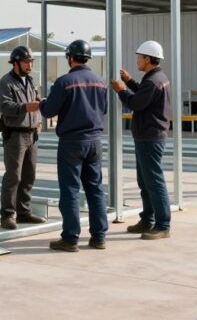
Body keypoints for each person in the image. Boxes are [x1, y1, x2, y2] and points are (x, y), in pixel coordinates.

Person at [39, 39, 109, 252]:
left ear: (70, 58)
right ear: (87, 58)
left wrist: (41, 103)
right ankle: (99, 237)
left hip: (72, 142)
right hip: (95, 142)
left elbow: (49, 111)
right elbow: (103, 109)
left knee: (70, 190)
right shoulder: (100, 82)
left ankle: (70, 238)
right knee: (95, 189)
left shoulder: (64, 82)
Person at [111, 40, 172, 240]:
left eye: (139, 57)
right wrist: (129, 82)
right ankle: (148, 219)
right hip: (148, 135)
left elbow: (136, 102)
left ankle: (162, 225)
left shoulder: (153, 81)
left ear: (147, 59)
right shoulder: (155, 78)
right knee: (145, 181)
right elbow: (143, 94)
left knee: (153, 181)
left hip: (150, 137)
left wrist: (121, 90)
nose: (137, 60)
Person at [0, 45, 46, 230]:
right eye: (26, 62)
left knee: (29, 175)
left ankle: (24, 213)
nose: (30, 65)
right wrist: (26, 107)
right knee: (13, 176)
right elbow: (6, 106)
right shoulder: (6, 82)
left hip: (32, 134)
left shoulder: (31, 81)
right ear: (16, 63)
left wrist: (39, 117)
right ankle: (8, 215)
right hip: (15, 135)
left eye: (31, 62)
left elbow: (38, 101)